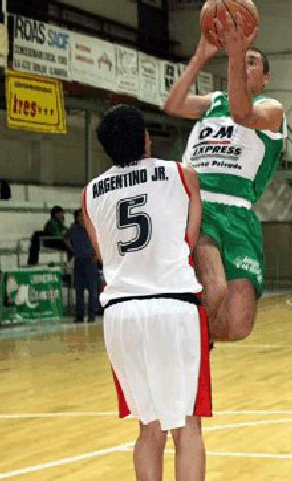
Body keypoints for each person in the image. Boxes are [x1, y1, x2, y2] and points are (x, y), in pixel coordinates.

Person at [84, 104, 209, 481]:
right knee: (187, 427)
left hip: (121, 313)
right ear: (146, 139)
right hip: (173, 307)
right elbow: (188, 241)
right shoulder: (182, 175)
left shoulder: (89, 194)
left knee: (148, 427)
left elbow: (103, 255)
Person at [163, 10, 285, 342]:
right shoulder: (213, 102)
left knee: (236, 327)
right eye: (240, 61)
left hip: (240, 215)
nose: (243, 65)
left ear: (265, 79)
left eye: (252, 62)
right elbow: (172, 105)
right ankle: (179, 343)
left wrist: (234, 54)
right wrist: (200, 57)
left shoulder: (272, 109)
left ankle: (194, 338)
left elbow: (242, 113)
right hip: (200, 207)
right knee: (213, 290)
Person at [65, 209, 101, 323]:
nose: (81, 218)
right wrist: (72, 249)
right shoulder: (73, 229)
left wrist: (96, 255)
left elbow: (99, 242)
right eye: (79, 216)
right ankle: (79, 316)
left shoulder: (92, 228)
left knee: (92, 289)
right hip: (79, 261)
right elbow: (65, 238)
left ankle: (92, 315)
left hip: (90, 261)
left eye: (83, 216)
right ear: (76, 218)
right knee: (79, 290)